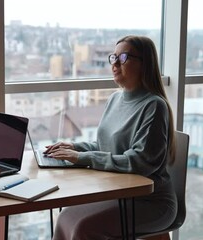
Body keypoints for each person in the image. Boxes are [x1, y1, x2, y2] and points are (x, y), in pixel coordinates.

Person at [45, 35, 177, 240]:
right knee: (66, 216)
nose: (115, 63)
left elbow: (140, 162)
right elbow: (104, 144)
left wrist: (82, 158)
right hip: (118, 192)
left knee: (84, 228)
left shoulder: (154, 106)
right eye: (113, 57)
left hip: (151, 201)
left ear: (145, 63)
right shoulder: (115, 98)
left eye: (123, 57)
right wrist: (74, 148)